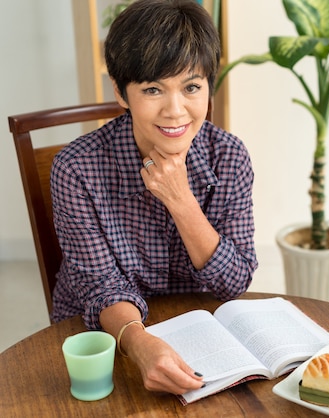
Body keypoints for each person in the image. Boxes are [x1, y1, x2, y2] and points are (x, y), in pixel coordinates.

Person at [50, 0, 257, 395]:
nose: (176, 111)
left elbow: (235, 282)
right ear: (121, 92)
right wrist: (140, 343)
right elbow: (100, 286)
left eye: (192, 87)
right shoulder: (76, 169)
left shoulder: (230, 157)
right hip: (106, 339)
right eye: (152, 89)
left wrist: (181, 200)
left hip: (204, 338)